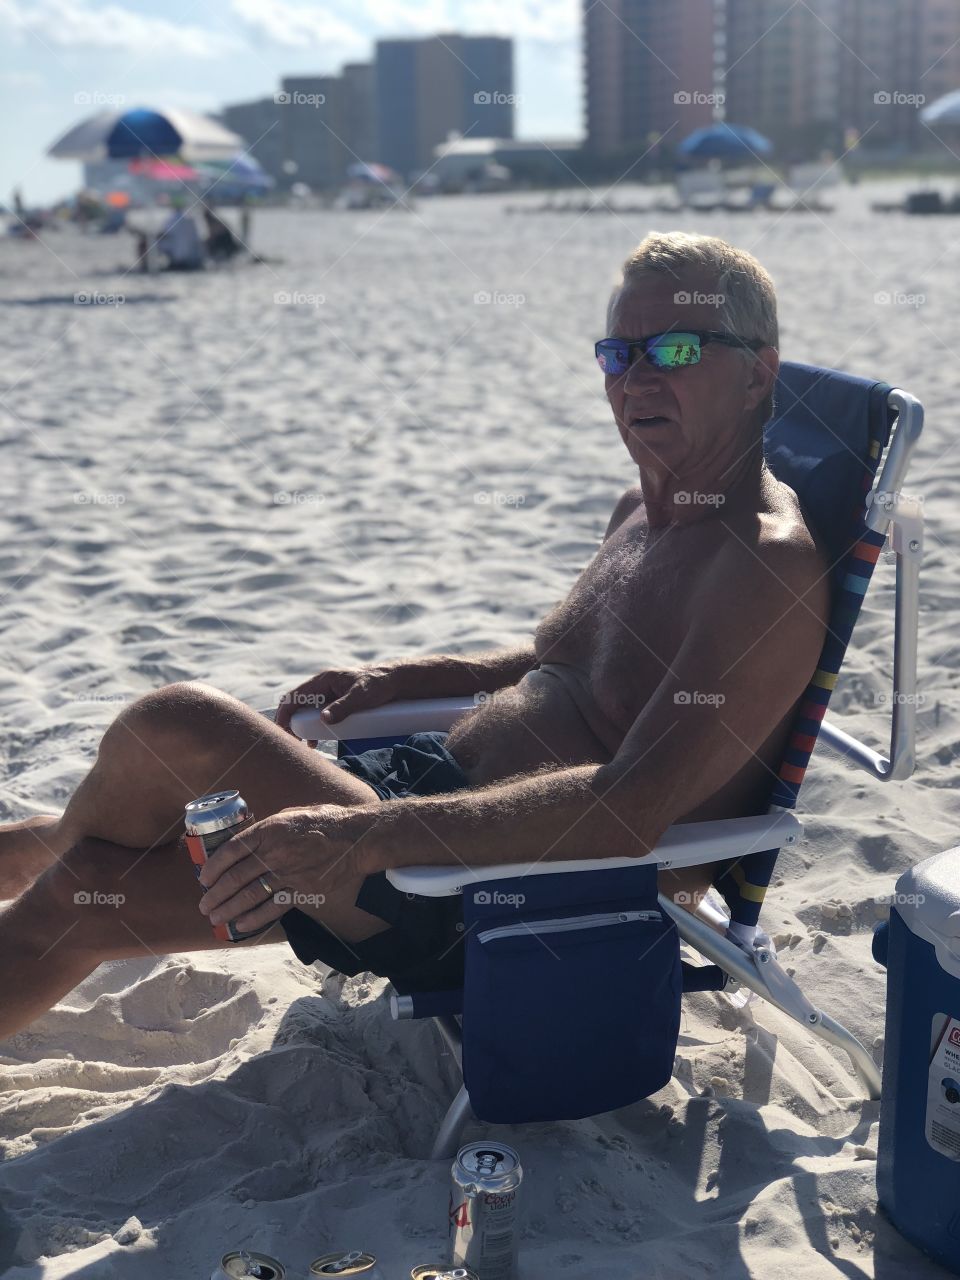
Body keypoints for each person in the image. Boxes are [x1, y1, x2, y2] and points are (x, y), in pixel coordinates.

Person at [0, 232, 830, 1036]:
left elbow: (631, 811)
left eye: (676, 351)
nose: (638, 379)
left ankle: (43, 848)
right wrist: (416, 676)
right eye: (619, 354)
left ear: (758, 374)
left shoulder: (760, 568)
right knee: (130, 802)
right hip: (430, 803)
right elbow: (573, 661)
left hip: (511, 892)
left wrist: (359, 838)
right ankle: (45, 846)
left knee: (140, 793)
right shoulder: (646, 514)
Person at [156, 205, 204, 270]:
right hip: (192, 257)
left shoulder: (172, 219)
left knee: (157, 244)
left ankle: (151, 264)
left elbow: (165, 233)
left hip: (178, 255)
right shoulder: (191, 219)